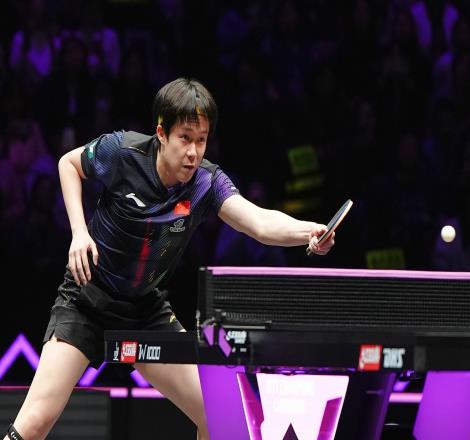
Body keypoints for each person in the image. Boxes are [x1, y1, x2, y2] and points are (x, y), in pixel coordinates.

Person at [4, 78, 335, 440]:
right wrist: (79, 233)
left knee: (221, 415)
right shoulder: (123, 151)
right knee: (34, 424)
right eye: (185, 138)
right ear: (162, 133)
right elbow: (69, 163)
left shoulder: (206, 183)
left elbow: (258, 222)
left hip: (145, 313)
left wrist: (309, 231)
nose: (193, 152)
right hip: (87, 301)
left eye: (201, 140)